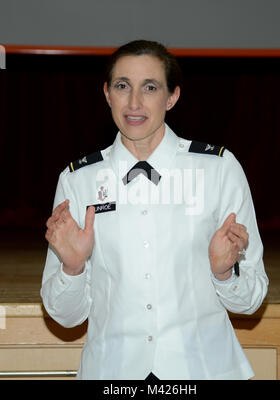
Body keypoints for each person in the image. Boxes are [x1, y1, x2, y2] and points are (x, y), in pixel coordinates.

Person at [41, 40, 268, 380]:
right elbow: (66, 317)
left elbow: (251, 300)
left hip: (205, 371)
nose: (134, 103)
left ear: (172, 96)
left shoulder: (218, 170)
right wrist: (72, 269)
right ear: (107, 94)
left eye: (150, 87)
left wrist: (224, 273)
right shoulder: (78, 181)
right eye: (122, 86)